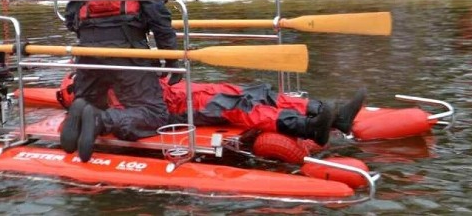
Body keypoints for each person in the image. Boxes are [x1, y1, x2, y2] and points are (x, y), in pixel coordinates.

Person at [62, 0, 178, 163]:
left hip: (88, 50)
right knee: (154, 113)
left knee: (92, 98)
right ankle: (100, 120)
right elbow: (156, 9)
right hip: (126, 47)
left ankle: (85, 107)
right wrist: (170, 54)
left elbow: (72, 15)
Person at [57, 73, 365, 146]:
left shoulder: (118, 80)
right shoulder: (113, 102)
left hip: (190, 91)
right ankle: (306, 127)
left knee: (254, 92)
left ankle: (331, 115)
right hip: (184, 107)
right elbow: (149, 108)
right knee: (240, 108)